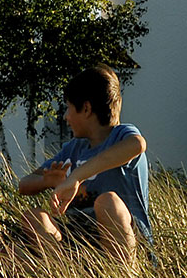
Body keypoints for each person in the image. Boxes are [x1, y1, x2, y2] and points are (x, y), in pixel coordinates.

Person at [17, 65, 150, 262]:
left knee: (108, 202)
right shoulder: (73, 148)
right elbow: (24, 184)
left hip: (125, 239)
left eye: (68, 108)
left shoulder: (121, 136)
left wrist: (76, 178)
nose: (65, 117)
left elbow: (137, 145)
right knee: (35, 216)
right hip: (77, 240)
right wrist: (48, 181)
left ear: (86, 109)